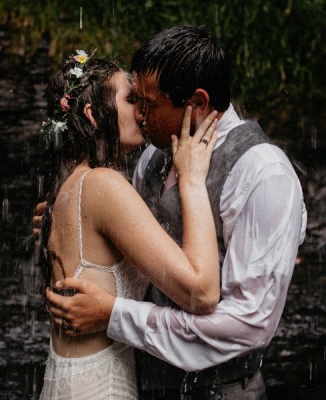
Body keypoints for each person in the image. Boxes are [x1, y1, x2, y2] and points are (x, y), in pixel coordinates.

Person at [43, 26, 308, 400]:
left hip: (223, 391)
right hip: (143, 383)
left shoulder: (264, 173)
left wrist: (115, 316)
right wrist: (72, 222)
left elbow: (250, 324)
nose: (141, 115)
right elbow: (128, 250)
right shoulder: (151, 157)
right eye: (134, 100)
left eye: (148, 104)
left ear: (197, 103)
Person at [36, 50, 222, 400]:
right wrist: (192, 182)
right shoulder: (103, 185)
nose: (142, 110)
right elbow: (202, 292)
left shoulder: (66, 186)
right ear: (93, 115)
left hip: (66, 380)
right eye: (130, 99)